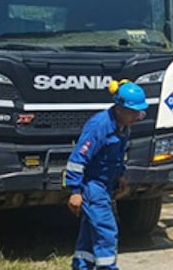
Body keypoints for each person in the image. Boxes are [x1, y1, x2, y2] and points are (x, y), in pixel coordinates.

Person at [65, 80, 148, 270]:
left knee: (90, 233)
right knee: (106, 232)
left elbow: (115, 156)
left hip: (105, 185)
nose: (137, 116)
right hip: (93, 187)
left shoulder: (122, 126)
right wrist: (75, 191)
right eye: (134, 112)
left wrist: (120, 176)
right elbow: (77, 160)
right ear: (120, 108)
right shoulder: (99, 126)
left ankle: (82, 266)